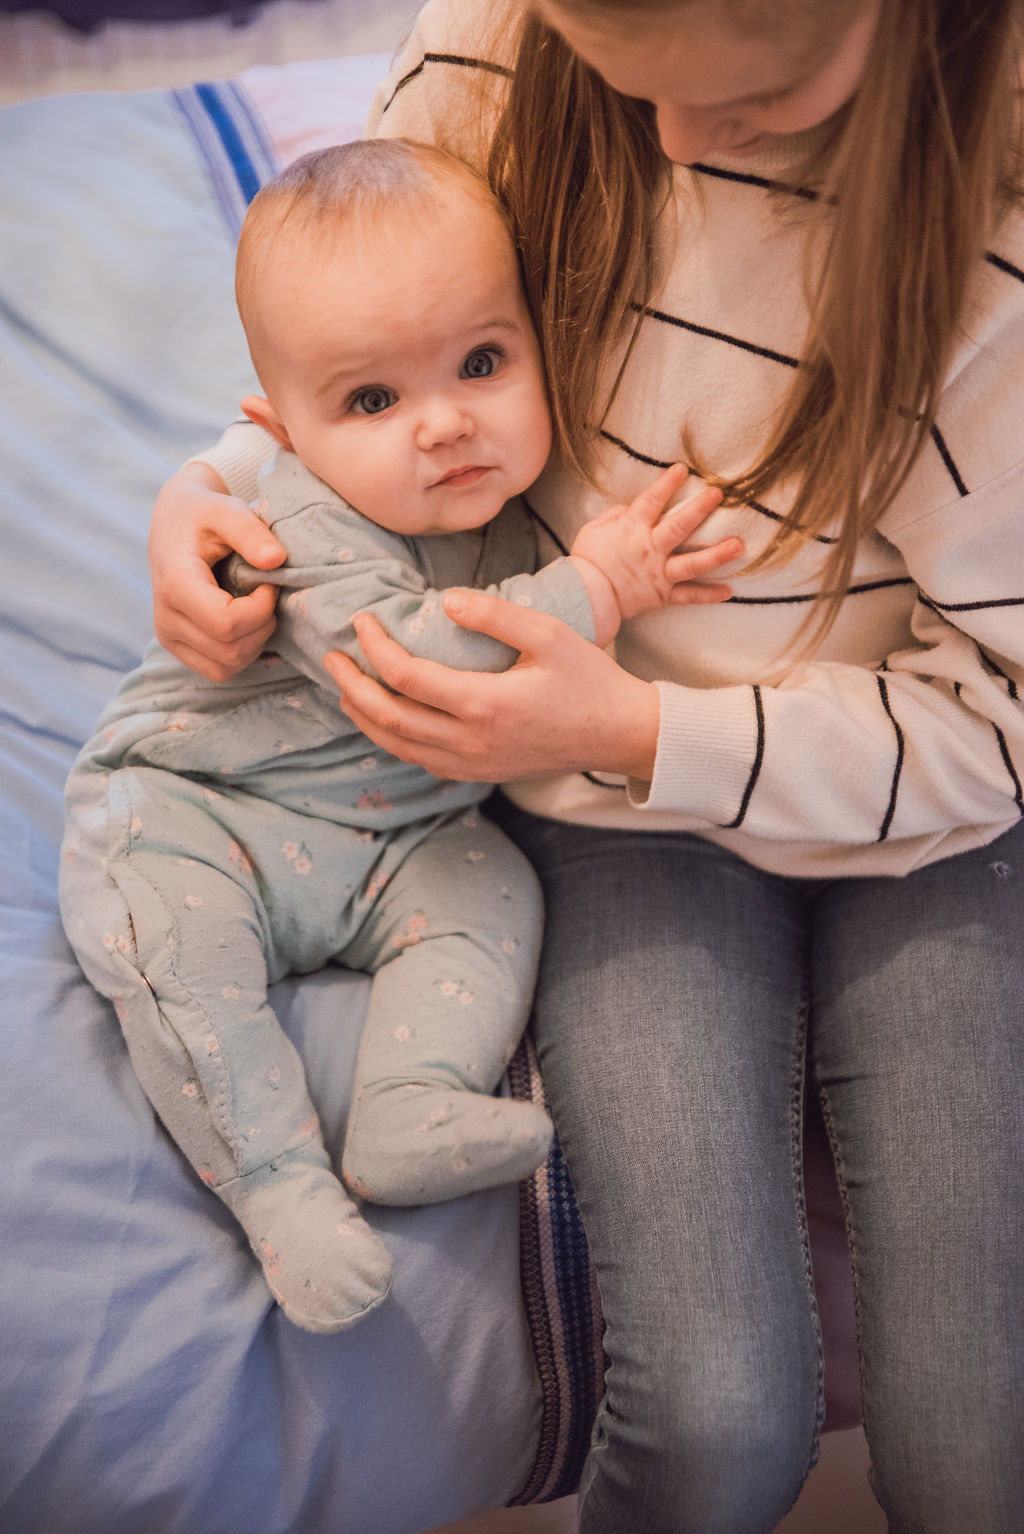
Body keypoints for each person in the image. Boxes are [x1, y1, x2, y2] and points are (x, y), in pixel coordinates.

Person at [147, 0, 1024, 1527]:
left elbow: (1000, 718)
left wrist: (638, 726)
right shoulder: (502, 41)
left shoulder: (987, 249)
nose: (675, 141)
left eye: (749, 102)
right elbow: (353, 320)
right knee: (713, 1422)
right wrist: (210, 488)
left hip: (920, 815)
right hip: (606, 812)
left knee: (976, 1449)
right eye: (626, 81)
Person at [60, 136, 738, 1339]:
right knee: (176, 963)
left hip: (398, 835)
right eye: (373, 399)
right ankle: (278, 1184)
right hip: (206, 812)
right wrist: (602, 585)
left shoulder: (518, 501)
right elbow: (425, 657)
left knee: (492, 890)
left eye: (482, 361)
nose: (445, 425)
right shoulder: (294, 518)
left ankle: (409, 1103)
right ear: (279, 424)